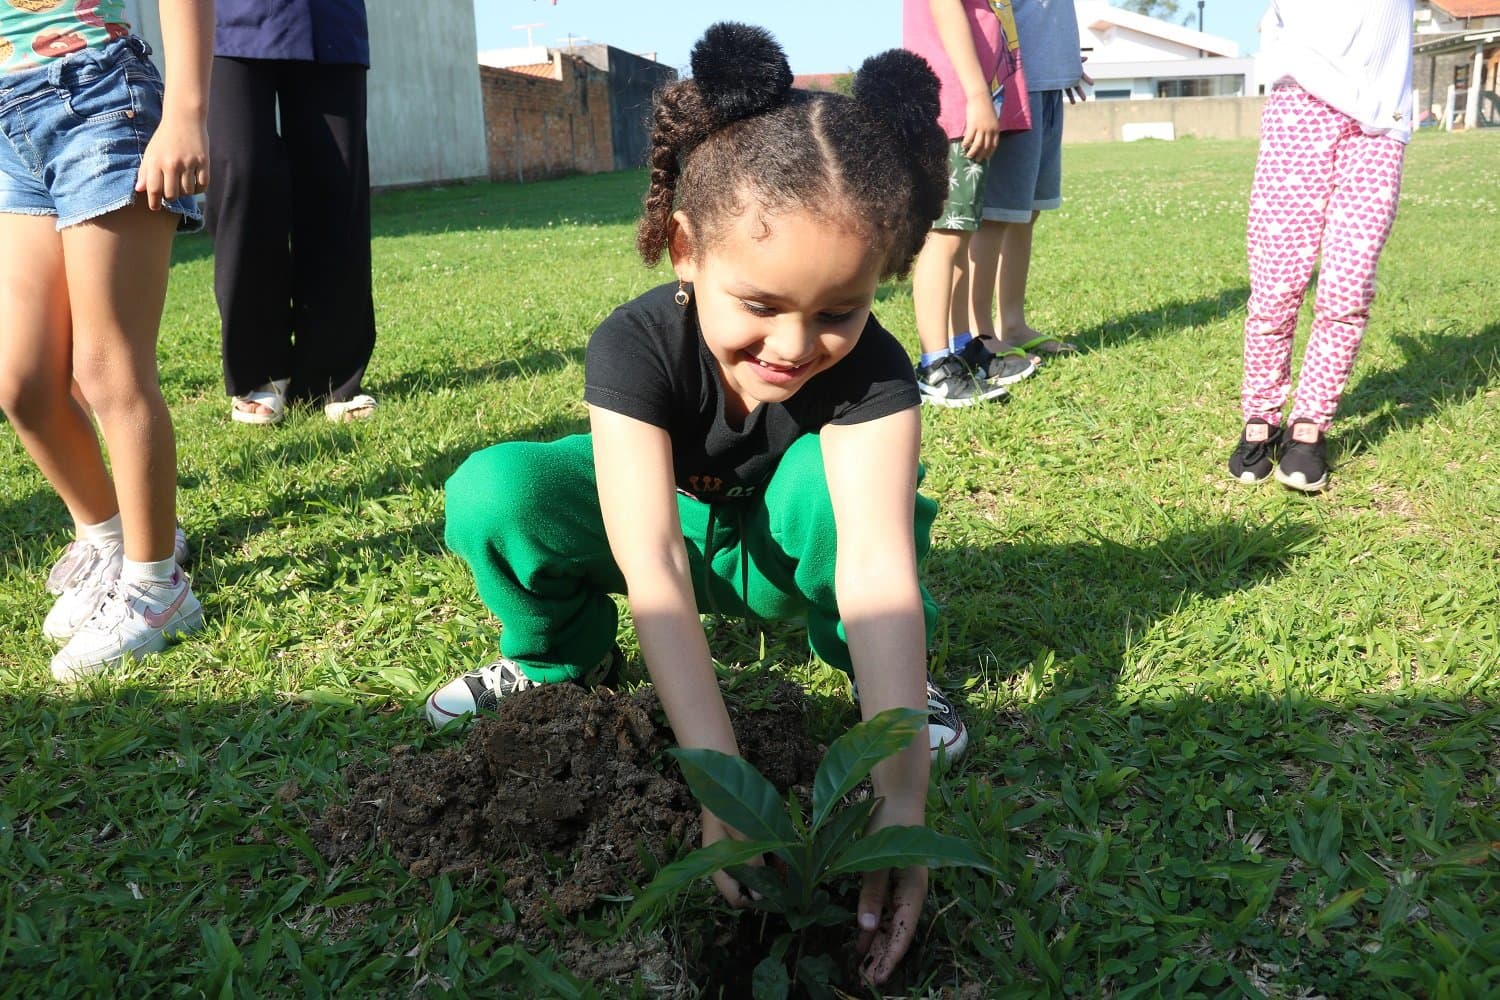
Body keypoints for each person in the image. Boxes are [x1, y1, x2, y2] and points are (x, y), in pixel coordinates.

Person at [426, 23, 966, 985]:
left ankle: (887, 693)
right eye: (759, 305)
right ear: (685, 249)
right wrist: (719, 780)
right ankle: (557, 661)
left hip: (777, 560)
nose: (796, 346)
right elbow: (652, 564)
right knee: (496, 489)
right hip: (669, 539)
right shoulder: (633, 346)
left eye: (839, 311)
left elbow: (878, 563)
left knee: (845, 502)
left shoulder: (875, 372)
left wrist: (902, 798)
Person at [0, 1, 209, 679]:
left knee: (106, 366)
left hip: (96, 92)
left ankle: (156, 590)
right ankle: (110, 542)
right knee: (22, 383)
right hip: (9, 120)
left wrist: (185, 112)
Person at [1228, 0, 1414, 492]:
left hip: (1379, 125)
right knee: (1276, 284)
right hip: (1300, 110)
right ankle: (1262, 413)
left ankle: (1309, 426)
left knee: (1349, 289)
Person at [205, 0, 378, 426]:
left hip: (329, 20)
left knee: (335, 187)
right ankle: (258, 370)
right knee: (241, 178)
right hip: (228, 21)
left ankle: (331, 374)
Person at [904, 0, 1034, 407]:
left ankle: (960, 347)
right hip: (955, 105)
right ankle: (935, 365)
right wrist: (978, 95)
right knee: (942, 239)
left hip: (966, 105)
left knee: (958, 236)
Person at [968, 0, 1090, 362]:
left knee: (1028, 212)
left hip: (1049, 82)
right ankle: (980, 333)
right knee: (996, 215)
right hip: (1012, 85)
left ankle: (1014, 323)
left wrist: (1063, 59)